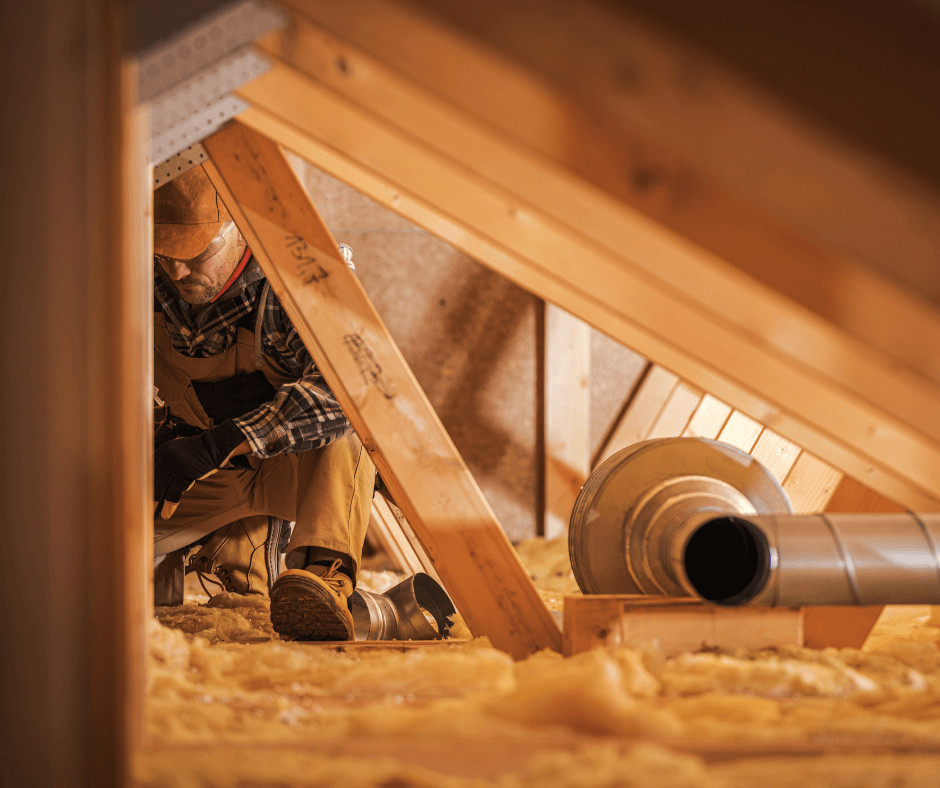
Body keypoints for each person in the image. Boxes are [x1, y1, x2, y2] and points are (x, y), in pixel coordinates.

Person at [150, 164, 374, 641]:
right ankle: (238, 544)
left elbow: (349, 388)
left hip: (295, 472)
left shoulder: (299, 274)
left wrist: (221, 442)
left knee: (349, 422)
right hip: (199, 471)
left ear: (240, 227)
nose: (177, 271)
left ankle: (322, 575)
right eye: (164, 255)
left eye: (195, 254)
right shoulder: (143, 280)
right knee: (84, 544)